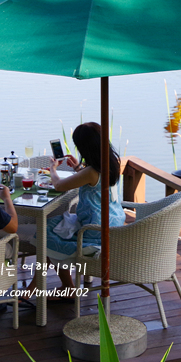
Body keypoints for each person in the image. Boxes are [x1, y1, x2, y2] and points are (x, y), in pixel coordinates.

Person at [23, 122, 125, 295]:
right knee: (52, 228)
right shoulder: (111, 163)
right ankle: (63, 287)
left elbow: (60, 185)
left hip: (93, 228)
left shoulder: (92, 171)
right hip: (113, 220)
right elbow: (94, 183)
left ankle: (41, 287)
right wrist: (78, 168)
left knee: (47, 234)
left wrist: (53, 169)